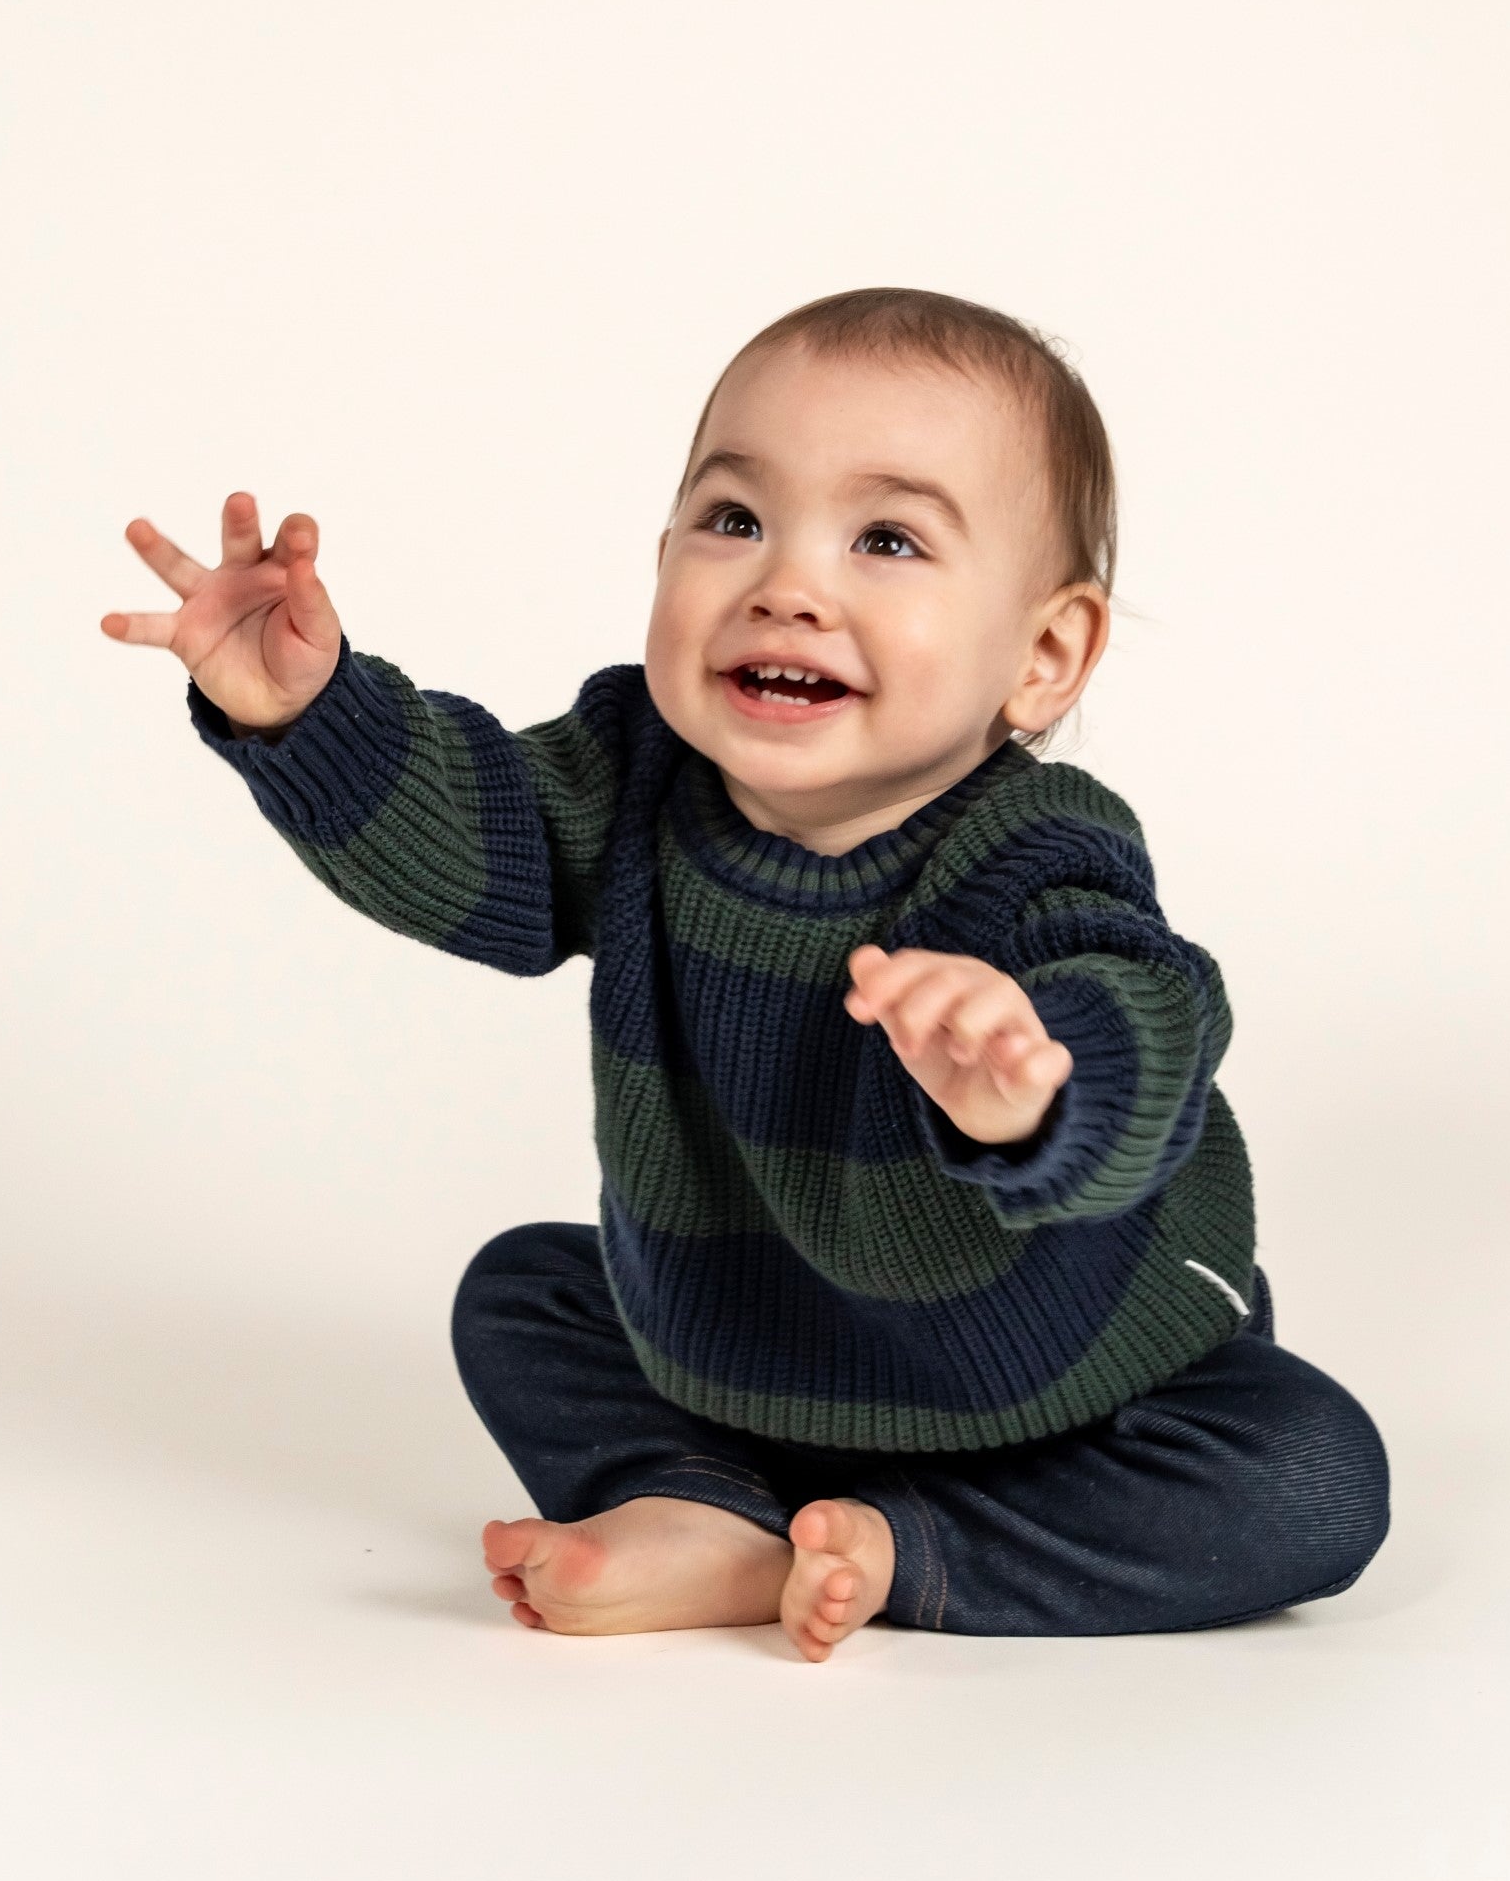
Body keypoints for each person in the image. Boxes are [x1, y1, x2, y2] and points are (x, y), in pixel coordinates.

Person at [101, 287, 1390, 1660]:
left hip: (1063, 1373)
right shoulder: (639, 778)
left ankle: (911, 1547)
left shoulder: (1037, 849)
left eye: (887, 539)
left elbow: (1157, 1006)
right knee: (524, 1294)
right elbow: (478, 844)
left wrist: (1032, 1083)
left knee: (1311, 1472)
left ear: (1044, 654)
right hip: (743, 1342)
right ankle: (703, 1513)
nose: (789, 584)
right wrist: (312, 716)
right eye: (734, 521)